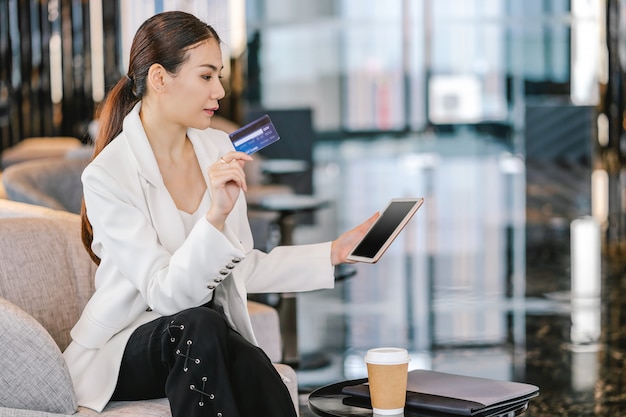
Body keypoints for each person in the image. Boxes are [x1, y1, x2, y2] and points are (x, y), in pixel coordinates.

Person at [63, 10, 377, 417]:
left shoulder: (218, 148)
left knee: (251, 364)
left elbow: (239, 266)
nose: (220, 92)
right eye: (206, 76)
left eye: (220, 77)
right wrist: (214, 217)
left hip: (201, 336)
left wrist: (334, 252)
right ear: (160, 79)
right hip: (125, 346)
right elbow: (166, 295)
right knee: (202, 323)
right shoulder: (108, 175)